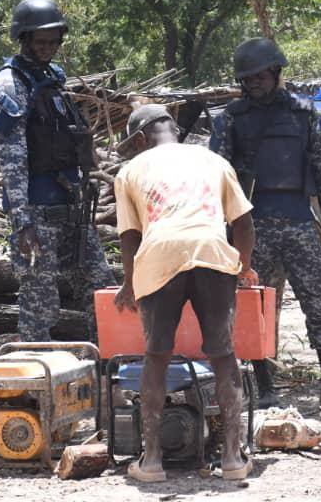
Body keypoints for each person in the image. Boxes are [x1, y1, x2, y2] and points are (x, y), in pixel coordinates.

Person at [114, 104, 257, 482]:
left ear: (141, 139)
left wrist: (130, 283)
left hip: (159, 254)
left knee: (157, 355)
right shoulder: (212, 160)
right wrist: (240, 268)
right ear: (174, 130)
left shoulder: (129, 171)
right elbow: (243, 223)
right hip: (212, 250)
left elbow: (130, 237)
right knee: (223, 353)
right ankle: (232, 457)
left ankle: (152, 461)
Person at [209, 37, 321, 410]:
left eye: (258, 76)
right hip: (250, 225)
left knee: (317, 302)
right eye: (246, 79)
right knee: (254, 306)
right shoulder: (230, 120)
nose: (252, 84)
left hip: (299, 220)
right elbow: (218, 176)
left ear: (275, 72)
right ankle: (264, 387)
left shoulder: (305, 115)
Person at [0, 0, 114, 341]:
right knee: (39, 303)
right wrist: (22, 222)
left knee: (101, 286)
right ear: (24, 39)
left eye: (53, 41)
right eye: (40, 41)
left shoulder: (53, 82)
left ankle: (107, 371)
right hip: (38, 212)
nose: (47, 48)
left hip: (73, 207)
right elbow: (12, 160)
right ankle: (33, 379)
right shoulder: (11, 85)